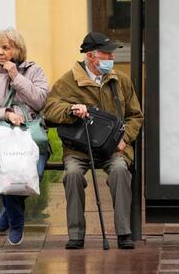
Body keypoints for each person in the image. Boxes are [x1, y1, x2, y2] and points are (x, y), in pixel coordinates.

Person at [43, 32, 143, 250]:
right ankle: (76, 235)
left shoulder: (121, 80)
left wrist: (124, 138)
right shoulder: (68, 81)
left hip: (113, 149)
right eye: (106, 54)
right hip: (79, 149)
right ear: (90, 56)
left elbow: (135, 116)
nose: (111, 58)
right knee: (72, 174)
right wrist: (70, 109)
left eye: (111, 54)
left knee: (120, 170)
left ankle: (124, 233)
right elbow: (50, 109)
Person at [0, 28, 49, 246]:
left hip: (31, 138)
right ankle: (16, 222)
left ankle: (7, 213)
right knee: (0, 173)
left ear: (18, 49)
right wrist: (5, 114)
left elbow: (40, 101)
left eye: (6, 47)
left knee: (32, 175)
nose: (0, 52)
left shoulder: (34, 71)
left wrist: (15, 76)